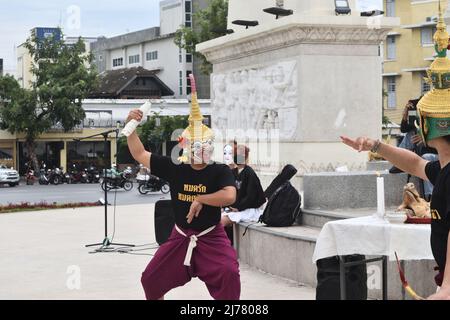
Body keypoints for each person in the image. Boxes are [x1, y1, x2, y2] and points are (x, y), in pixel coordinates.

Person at [341, 9, 450, 300]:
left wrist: (448, 287)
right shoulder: (443, 169)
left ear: (432, 123)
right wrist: (376, 146)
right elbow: (415, 163)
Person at [126, 74, 240, 300]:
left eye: (207, 144)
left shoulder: (219, 170)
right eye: (199, 145)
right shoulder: (175, 168)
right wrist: (131, 126)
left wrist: (201, 199)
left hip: (211, 236)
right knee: (150, 279)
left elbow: (230, 196)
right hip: (180, 236)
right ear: (187, 146)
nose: (204, 149)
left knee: (229, 274)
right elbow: (139, 153)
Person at [221, 144, 266, 227]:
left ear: (245, 157)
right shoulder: (233, 172)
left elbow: (251, 196)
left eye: (240, 155)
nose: (238, 157)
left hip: (248, 209)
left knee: (222, 222)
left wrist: (238, 207)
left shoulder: (250, 173)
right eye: (236, 155)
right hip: (234, 209)